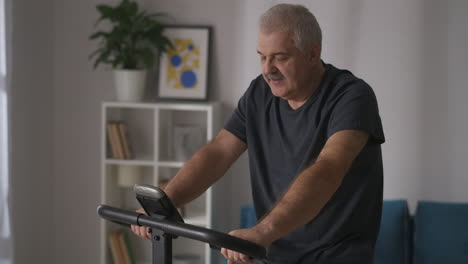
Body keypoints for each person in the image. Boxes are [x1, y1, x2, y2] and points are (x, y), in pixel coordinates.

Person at [132, 3, 385, 264]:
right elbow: (219, 151)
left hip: (335, 257)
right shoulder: (259, 93)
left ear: (313, 53)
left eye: (280, 57)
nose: (267, 68)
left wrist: (263, 231)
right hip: (272, 254)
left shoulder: (351, 97)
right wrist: (165, 204)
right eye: (262, 56)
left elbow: (329, 167)